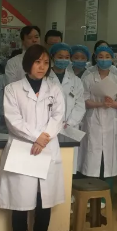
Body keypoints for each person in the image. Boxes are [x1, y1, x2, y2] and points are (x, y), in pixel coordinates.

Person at [0, 45, 65, 231]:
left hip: (45, 149)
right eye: (37, 62)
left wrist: (43, 138)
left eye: (46, 63)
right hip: (23, 150)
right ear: (28, 64)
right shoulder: (12, 89)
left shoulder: (54, 89)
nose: (42, 67)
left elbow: (58, 116)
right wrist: (38, 137)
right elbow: (13, 120)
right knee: (20, 205)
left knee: (43, 205)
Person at [79, 46, 117, 189]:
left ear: (112, 59)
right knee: (92, 157)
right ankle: (91, 191)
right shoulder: (88, 79)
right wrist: (101, 104)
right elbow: (84, 101)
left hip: (111, 120)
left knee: (108, 159)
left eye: (107, 57)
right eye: (101, 56)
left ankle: (106, 194)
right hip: (93, 120)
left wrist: (112, 103)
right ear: (95, 58)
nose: (104, 60)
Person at [47, 43, 85, 174]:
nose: (63, 60)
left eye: (67, 57)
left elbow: (80, 105)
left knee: (68, 164)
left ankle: (67, 187)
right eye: (60, 56)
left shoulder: (76, 80)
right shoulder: (45, 78)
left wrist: (70, 122)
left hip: (69, 127)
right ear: (52, 57)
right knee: (50, 164)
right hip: (49, 127)